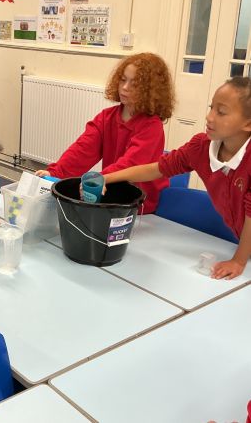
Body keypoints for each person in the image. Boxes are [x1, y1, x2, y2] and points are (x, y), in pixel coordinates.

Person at [104, 76, 251, 280]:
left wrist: (239, 261)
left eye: (221, 112)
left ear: (248, 123)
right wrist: (106, 178)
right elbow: (157, 168)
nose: (209, 117)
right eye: (211, 108)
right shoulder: (201, 147)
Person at [36, 52, 175, 213]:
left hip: (139, 203)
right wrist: (55, 172)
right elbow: (82, 150)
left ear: (150, 91)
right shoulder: (106, 117)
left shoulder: (152, 127)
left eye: (135, 84)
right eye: (123, 80)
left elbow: (131, 164)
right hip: (111, 193)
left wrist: (99, 179)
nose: (125, 87)